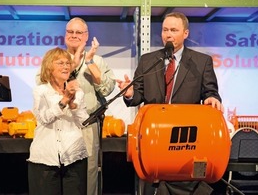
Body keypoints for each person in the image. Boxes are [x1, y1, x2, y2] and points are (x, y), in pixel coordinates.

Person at [116, 12, 224, 195]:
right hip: (154, 142)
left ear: (186, 33)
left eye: (174, 30)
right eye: (165, 30)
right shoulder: (148, 61)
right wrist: (130, 93)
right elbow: (137, 97)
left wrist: (212, 98)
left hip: (184, 140)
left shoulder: (201, 62)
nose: (168, 34)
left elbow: (210, 91)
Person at [36, 17, 116, 195]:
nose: (74, 35)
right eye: (70, 32)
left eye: (78, 32)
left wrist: (88, 62)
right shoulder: (52, 58)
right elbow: (41, 83)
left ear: (86, 36)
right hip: (57, 125)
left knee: (87, 175)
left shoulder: (98, 60)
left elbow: (107, 89)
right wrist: (74, 60)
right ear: (65, 35)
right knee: (56, 173)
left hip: (86, 125)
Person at [28, 47, 90, 195]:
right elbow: (44, 118)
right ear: (49, 67)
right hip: (45, 158)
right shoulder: (40, 91)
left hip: (74, 157)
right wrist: (64, 101)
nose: (66, 66)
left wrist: (74, 105)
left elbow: (84, 122)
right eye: (60, 63)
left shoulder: (78, 92)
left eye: (68, 63)